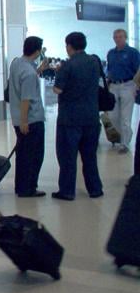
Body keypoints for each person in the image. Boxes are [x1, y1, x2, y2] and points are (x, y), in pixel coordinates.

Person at [52, 32, 103, 200]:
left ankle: (67, 191)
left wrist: (59, 73)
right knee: (89, 156)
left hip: (70, 118)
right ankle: (95, 189)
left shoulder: (67, 65)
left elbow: (58, 89)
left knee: (67, 157)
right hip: (91, 116)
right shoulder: (94, 62)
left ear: (69, 46)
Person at [8, 36, 48, 197]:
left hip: (18, 118)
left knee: (23, 155)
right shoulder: (30, 73)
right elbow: (26, 99)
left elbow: (24, 80)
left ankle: (21, 187)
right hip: (31, 120)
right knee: (34, 156)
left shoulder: (17, 63)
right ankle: (29, 188)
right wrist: (25, 121)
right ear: (37, 51)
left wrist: (38, 70)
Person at [106, 29, 140, 154]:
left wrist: (137, 86)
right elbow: (109, 70)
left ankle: (124, 144)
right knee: (113, 116)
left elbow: (138, 70)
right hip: (114, 85)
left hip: (128, 84)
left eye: (120, 36)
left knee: (125, 117)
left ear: (125, 38)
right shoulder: (111, 53)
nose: (118, 39)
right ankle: (126, 134)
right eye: (115, 37)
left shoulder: (133, 53)